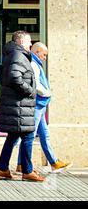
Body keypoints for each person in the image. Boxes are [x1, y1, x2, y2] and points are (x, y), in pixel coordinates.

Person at [0, 30, 45, 182]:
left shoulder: (16, 55)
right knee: (28, 136)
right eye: (29, 41)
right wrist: (30, 91)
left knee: (13, 137)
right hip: (19, 105)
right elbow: (15, 78)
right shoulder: (18, 55)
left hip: (19, 106)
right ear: (21, 42)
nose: (31, 44)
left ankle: (3, 168)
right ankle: (27, 171)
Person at [16, 42, 72, 173]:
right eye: (44, 54)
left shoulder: (36, 64)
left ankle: (53, 162)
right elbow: (35, 84)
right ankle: (22, 164)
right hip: (37, 105)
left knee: (44, 134)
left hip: (40, 105)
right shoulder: (34, 65)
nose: (45, 57)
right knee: (29, 136)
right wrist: (47, 93)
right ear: (37, 52)